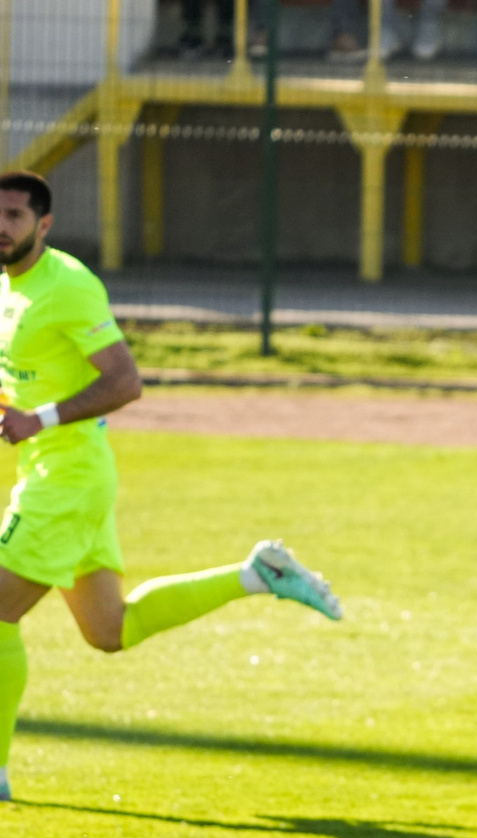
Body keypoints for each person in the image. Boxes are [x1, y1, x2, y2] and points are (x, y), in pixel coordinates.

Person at [0, 172, 341, 806]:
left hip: (66, 480)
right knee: (110, 631)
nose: (2, 227)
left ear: (43, 225)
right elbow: (27, 375)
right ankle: (255, 574)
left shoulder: (68, 287)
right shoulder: (7, 289)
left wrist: (37, 421)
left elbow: (125, 382)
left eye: (15, 216)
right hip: (63, 474)